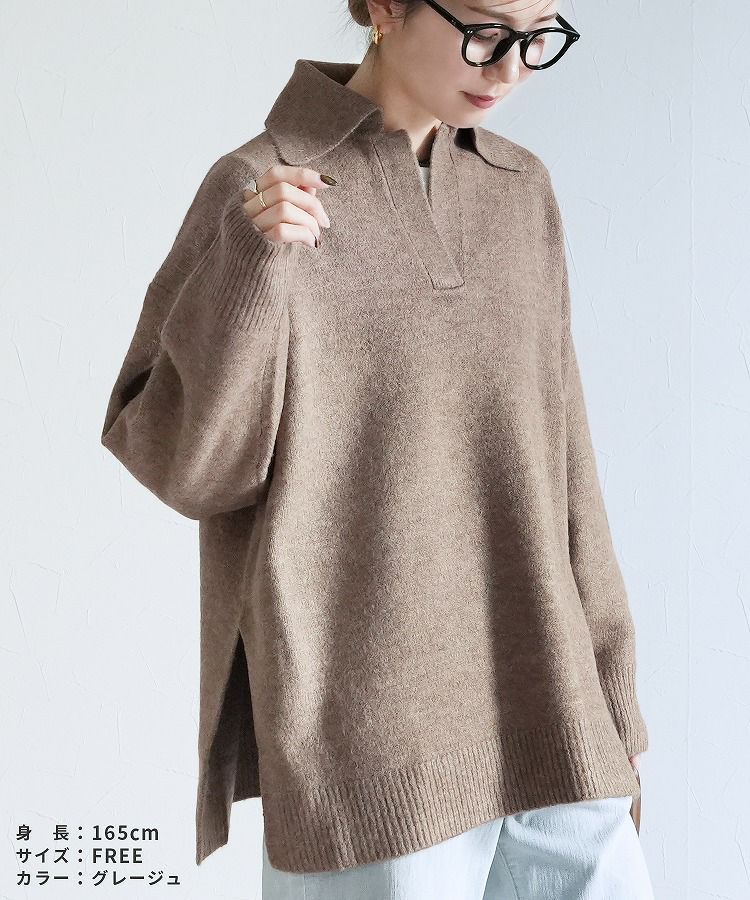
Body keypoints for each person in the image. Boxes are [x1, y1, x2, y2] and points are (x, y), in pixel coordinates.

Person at [100, 0, 654, 897]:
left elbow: (566, 461)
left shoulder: (521, 189)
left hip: (556, 714)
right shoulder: (260, 188)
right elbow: (187, 469)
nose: (511, 68)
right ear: (387, 7)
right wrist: (248, 267)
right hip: (371, 751)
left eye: (538, 37)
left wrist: (614, 688)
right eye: (487, 30)